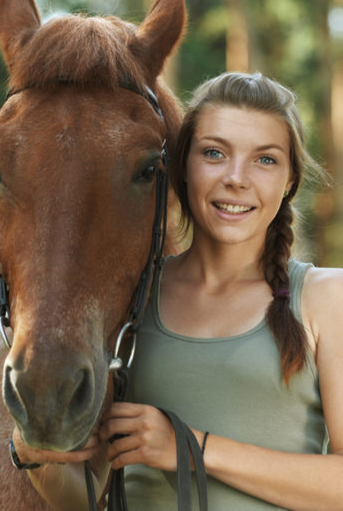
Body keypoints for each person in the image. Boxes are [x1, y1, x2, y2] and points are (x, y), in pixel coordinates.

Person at [99, 72, 343, 510]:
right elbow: (81, 495)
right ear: (183, 168)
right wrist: (31, 456)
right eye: (214, 153)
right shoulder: (131, 296)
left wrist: (189, 447)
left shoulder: (328, 298)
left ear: (290, 181)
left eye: (265, 160)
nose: (236, 178)